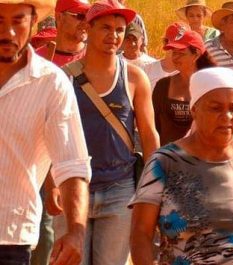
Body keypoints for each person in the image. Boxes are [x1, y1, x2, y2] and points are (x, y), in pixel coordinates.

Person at [129, 67, 233, 265]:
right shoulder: (164, 163)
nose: (227, 116)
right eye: (215, 108)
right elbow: (141, 235)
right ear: (194, 110)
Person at [51, 1, 160, 264]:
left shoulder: (134, 78)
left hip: (120, 189)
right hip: (73, 188)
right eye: (106, 28)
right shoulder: (63, 78)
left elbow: (148, 134)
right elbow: (51, 135)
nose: (114, 36)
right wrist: (51, 184)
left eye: (120, 30)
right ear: (88, 28)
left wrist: (155, 186)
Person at [0, 1, 90, 265]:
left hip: (10, 239)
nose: (9, 32)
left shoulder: (52, 83)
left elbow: (72, 163)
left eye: (18, 21)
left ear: (34, 21)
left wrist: (75, 231)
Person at [153, 28, 214, 145]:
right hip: (168, 159)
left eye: (180, 54)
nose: (175, 58)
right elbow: (153, 127)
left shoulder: (211, 88)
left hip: (201, 159)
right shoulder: (163, 86)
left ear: (196, 55)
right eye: (174, 53)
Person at [36, 0, 89, 66]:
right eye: (80, 16)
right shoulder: (36, 59)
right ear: (59, 17)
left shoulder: (97, 56)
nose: (86, 23)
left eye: (89, 17)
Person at [143, 22, 184, 90]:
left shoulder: (190, 74)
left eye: (182, 46)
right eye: (174, 45)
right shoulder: (148, 69)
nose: (178, 50)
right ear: (165, 43)